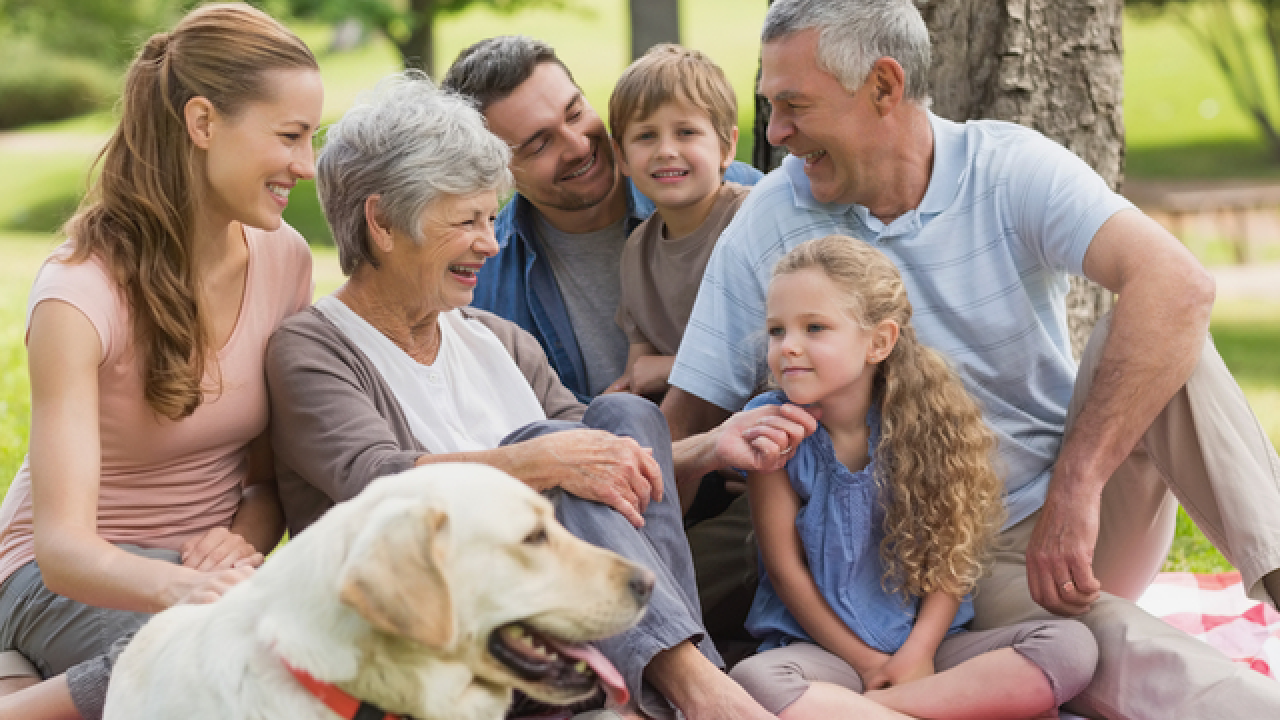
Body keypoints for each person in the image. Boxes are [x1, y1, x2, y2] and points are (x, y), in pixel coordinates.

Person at [662, 0, 1280, 717]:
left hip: (1076, 520)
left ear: (884, 88)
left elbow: (1179, 284)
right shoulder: (768, 221)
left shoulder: (1007, 166)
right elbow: (686, 424)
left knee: (1166, 329)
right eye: (769, 107)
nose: (775, 134)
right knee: (1114, 652)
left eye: (795, 106)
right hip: (942, 569)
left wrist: (1077, 491)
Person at [265, 71, 815, 720]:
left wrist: (704, 449)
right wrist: (536, 462)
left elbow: (608, 456)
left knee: (624, 416)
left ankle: (657, 694)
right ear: (383, 223)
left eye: (489, 217)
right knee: (549, 442)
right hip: (439, 636)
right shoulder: (313, 349)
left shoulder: (496, 338)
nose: (490, 243)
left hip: (561, 622)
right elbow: (376, 479)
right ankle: (693, 688)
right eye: (465, 221)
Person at [0, 4, 321, 720]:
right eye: (291, 136)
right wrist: (182, 590)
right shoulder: (78, 294)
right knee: (218, 671)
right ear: (203, 124)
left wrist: (239, 542)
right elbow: (62, 549)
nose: (306, 165)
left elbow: (266, 484)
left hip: (209, 581)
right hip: (63, 578)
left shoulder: (286, 261)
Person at [728, 236, 1097, 719]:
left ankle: (874, 710)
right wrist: (865, 661)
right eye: (777, 330)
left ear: (878, 341)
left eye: (814, 327)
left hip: (929, 651)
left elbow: (950, 560)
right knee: (753, 683)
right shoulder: (773, 426)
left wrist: (916, 656)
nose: (788, 347)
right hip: (822, 652)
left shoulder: (928, 421)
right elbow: (784, 570)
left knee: (1068, 647)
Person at [440, 36, 761, 403]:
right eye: (539, 145)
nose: (578, 146)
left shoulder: (742, 199)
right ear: (498, 174)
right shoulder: (482, 288)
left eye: (575, 113)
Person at [602, 44, 750, 407]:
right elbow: (640, 370)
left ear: (727, 147)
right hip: (691, 424)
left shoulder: (750, 222)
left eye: (686, 132)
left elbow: (785, 352)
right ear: (621, 157)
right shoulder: (637, 251)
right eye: (646, 136)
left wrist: (673, 368)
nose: (666, 150)